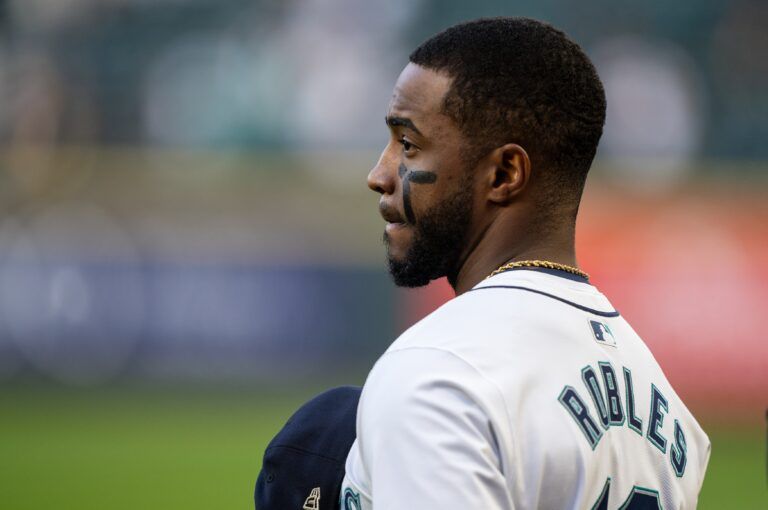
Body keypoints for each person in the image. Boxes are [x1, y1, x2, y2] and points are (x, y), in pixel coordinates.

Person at [340, 17, 710, 509]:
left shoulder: (440, 373)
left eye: (408, 145)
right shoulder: (669, 409)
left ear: (504, 174)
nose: (379, 174)